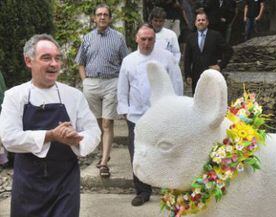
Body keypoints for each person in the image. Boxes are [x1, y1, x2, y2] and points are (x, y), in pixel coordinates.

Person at [0, 34, 101, 217]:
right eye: (46, 58)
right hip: (28, 184)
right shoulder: (14, 96)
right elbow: (9, 138)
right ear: (28, 61)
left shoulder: (73, 96)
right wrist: (50, 135)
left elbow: (94, 131)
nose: (54, 64)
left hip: (65, 182)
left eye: (57, 58)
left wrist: (76, 139)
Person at [117, 24, 183, 206]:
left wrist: (176, 108)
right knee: (138, 154)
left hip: (161, 115)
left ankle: (169, 190)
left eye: (150, 39)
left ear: (155, 39)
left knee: (166, 152)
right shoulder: (128, 60)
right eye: (143, 39)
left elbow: (176, 82)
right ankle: (142, 191)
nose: (146, 43)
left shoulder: (167, 57)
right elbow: (122, 88)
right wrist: (124, 110)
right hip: (136, 116)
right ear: (136, 39)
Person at [75, 3, 129, 178]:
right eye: (99, 14)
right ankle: (102, 153)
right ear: (94, 18)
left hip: (111, 83)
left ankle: (104, 162)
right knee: (97, 124)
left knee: (107, 123)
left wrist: (121, 84)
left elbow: (125, 62)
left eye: (106, 14)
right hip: (91, 84)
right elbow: (80, 62)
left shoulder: (118, 38)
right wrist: (85, 82)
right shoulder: (87, 38)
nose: (102, 17)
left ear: (110, 18)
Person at [184, 10, 233, 94]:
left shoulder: (215, 35)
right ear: (195, 23)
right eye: (198, 20)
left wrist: (220, 65)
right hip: (196, 76)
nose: (201, 22)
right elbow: (187, 58)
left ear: (207, 22)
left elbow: (229, 51)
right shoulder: (190, 38)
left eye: (203, 20)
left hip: (212, 74)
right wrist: (187, 74)